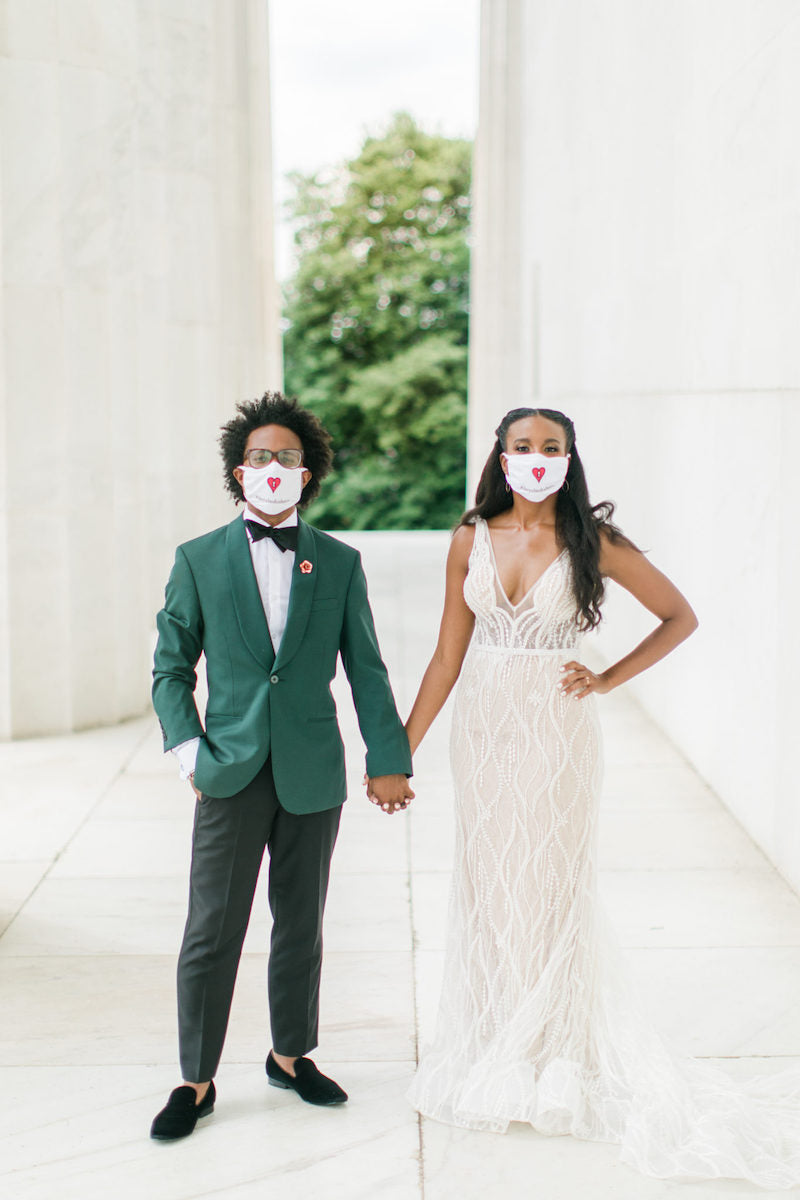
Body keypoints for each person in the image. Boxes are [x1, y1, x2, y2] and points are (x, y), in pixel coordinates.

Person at [401, 407, 800, 1188]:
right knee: (490, 885)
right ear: (502, 456)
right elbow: (448, 655)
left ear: (570, 457)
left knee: (548, 885)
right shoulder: (469, 537)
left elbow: (680, 616)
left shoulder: (597, 542)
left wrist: (608, 676)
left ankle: (552, 1057)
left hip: (557, 730)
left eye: (552, 447)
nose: (537, 458)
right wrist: (399, 753)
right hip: (483, 729)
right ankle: (493, 1043)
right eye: (523, 447)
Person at [150, 392, 414, 1141]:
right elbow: (171, 669)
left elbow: (366, 668)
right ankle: (194, 1078)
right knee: (213, 928)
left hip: (311, 772)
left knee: (301, 924)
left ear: (309, 473)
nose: (273, 468)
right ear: (240, 471)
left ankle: (291, 1055)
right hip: (227, 769)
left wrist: (387, 757)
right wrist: (190, 750)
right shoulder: (197, 559)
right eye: (260, 457)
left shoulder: (337, 561)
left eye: (288, 458)